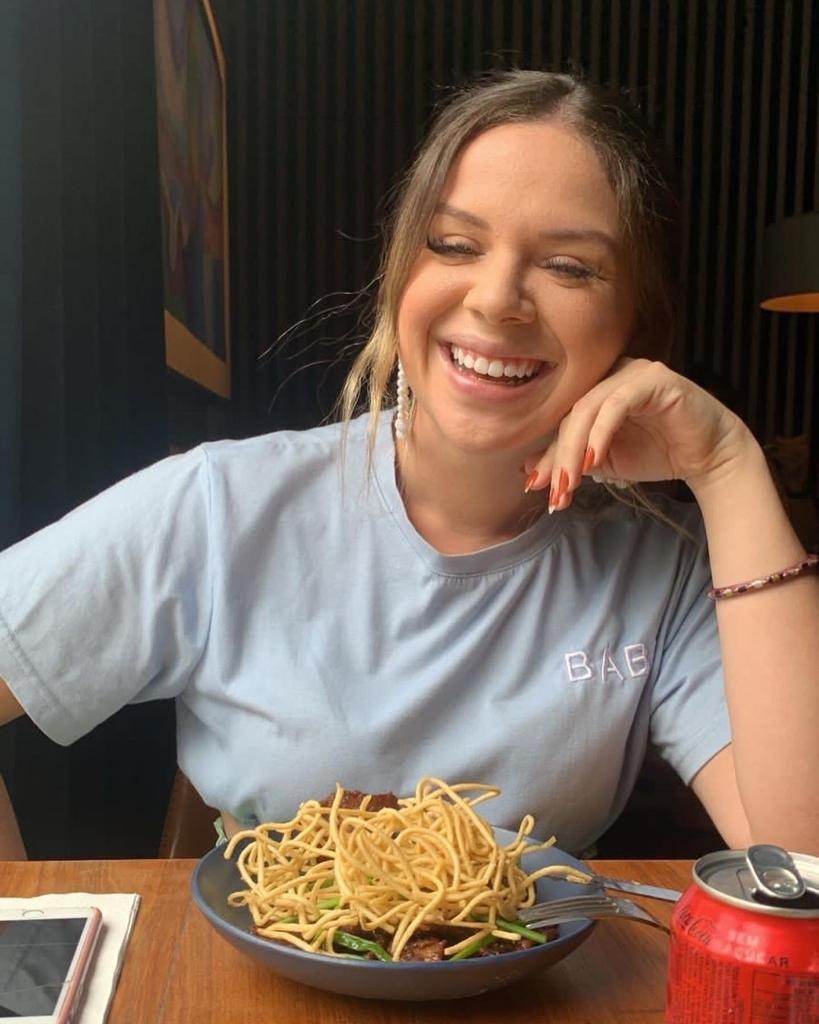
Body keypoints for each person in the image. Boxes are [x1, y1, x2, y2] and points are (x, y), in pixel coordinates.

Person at [0, 70, 817, 860]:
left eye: (569, 266)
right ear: (400, 275)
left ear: (633, 325)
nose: (495, 298)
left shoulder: (664, 568)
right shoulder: (221, 506)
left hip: (537, 959)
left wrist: (726, 465)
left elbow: (804, 859)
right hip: (256, 949)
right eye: (454, 244)